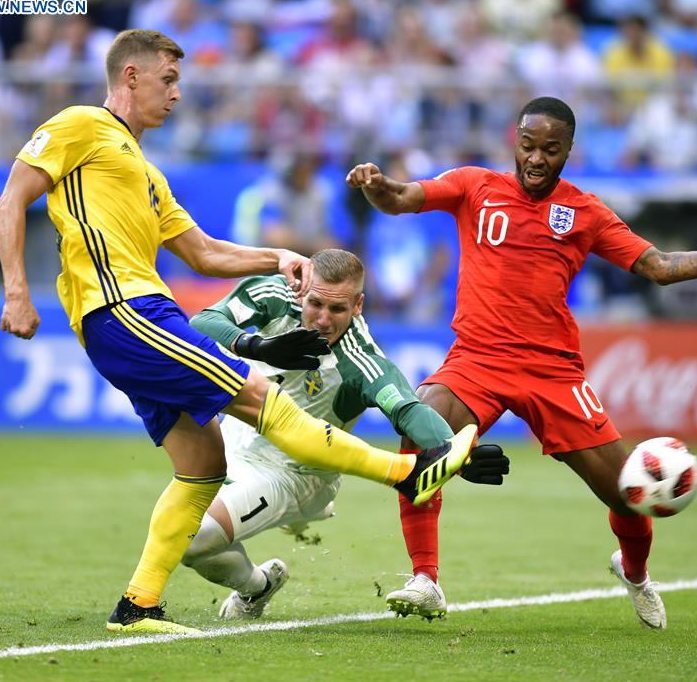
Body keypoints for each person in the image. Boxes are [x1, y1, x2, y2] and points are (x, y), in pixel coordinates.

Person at [0, 29, 491, 636]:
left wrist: (276, 256)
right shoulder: (79, 125)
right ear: (129, 76)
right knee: (260, 397)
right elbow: (10, 200)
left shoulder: (145, 173)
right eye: (167, 80)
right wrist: (16, 290)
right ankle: (405, 474)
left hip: (138, 316)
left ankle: (138, 606)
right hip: (125, 309)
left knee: (203, 461)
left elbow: (202, 253)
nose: (176, 94)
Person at [346, 96, 697, 630]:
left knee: (630, 491)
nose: (536, 159)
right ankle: (426, 579)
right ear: (515, 142)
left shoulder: (584, 211)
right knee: (421, 428)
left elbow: (659, 266)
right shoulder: (475, 186)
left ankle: (635, 573)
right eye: (528, 145)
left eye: (550, 149)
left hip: (553, 372)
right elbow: (401, 196)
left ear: (568, 152)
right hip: (478, 359)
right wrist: (377, 187)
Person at [181, 249, 508, 620]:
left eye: (336, 309)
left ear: (358, 306)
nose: (321, 319)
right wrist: (255, 345)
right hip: (234, 438)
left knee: (192, 538)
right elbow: (203, 321)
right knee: (179, 534)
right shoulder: (275, 296)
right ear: (303, 290)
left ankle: (252, 586)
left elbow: (407, 409)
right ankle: (260, 585)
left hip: (292, 473)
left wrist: (459, 452)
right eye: (316, 303)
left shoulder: (360, 360)